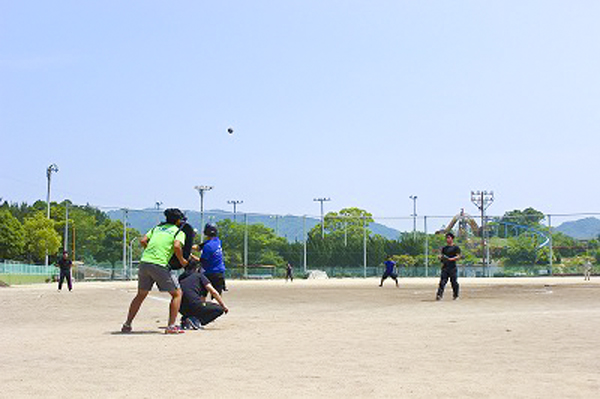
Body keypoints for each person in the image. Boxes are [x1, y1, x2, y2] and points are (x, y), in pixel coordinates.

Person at [121, 208, 189, 334]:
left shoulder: (156, 228)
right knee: (177, 294)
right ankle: (171, 326)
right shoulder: (178, 232)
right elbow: (176, 246)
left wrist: (150, 251)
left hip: (144, 262)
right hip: (159, 264)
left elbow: (143, 241)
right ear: (179, 221)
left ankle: (127, 324)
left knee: (141, 294)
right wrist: (182, 260)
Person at [178, 260, 229, 330]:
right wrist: (223, 305)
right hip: (194, 304)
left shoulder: (181, 277)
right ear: (197, 268)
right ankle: (196, 321)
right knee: (219, 309)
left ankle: (186, 319)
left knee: (194, 306)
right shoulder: (199, 276)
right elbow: (213, 292)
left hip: (180, 307)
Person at [196, 223, 227, 297]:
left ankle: (201, 308)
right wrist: (188, 247)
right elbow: (198, 247)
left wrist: (190, 256)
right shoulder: (218, 241)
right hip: (219, 273)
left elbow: (202, 261)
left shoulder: (208, 246)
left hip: (208, 273)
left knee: (202, 295)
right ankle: (219, 308)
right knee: (217, 295)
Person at [436, 232, 461, 301]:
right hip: (445, 267)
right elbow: (442, 256)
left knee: (454, 282)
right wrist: (440, 257)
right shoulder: (444, 248)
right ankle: (439, 295)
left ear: (452, 239)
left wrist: (451, 259)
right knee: (442, 282)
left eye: (449, 238)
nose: (447, 239)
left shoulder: (456, 248)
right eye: (446, 238)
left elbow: (458, 256)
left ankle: (456, 295)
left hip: (452, 267)